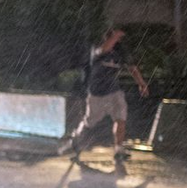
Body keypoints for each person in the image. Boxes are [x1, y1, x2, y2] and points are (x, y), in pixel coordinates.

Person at [59, 28, 149, 163]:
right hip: (97, 93)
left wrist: (141, 83)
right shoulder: (97, 51)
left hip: (114, 92)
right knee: (89, 123)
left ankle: (119, 149)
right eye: (113, 38)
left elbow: (132, 68)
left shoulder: (120, 53)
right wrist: (115, 36)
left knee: (120, 118)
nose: (117, 41)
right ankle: (75, 142)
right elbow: (104, 49)